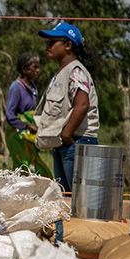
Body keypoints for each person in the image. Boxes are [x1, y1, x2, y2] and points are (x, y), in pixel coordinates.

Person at [34, 21, 98, 193]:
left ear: (68, 45)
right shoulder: (61, 73)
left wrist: (67, 134)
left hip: (77, 140)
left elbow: (82, 104)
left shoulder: (75, 71)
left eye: (52, 41)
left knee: (78, 198)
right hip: (64, 143)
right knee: (65, 199)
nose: (47, 45)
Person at [4, 52, 52, 178]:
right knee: (24, 167)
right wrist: (26, 125)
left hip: (29, 135)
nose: (38, 70)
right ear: (24, 69)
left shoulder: (33, 88)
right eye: (34, 67)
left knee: (34, 166)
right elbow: (9, 114)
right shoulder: (16, 87)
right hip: (17, 134)